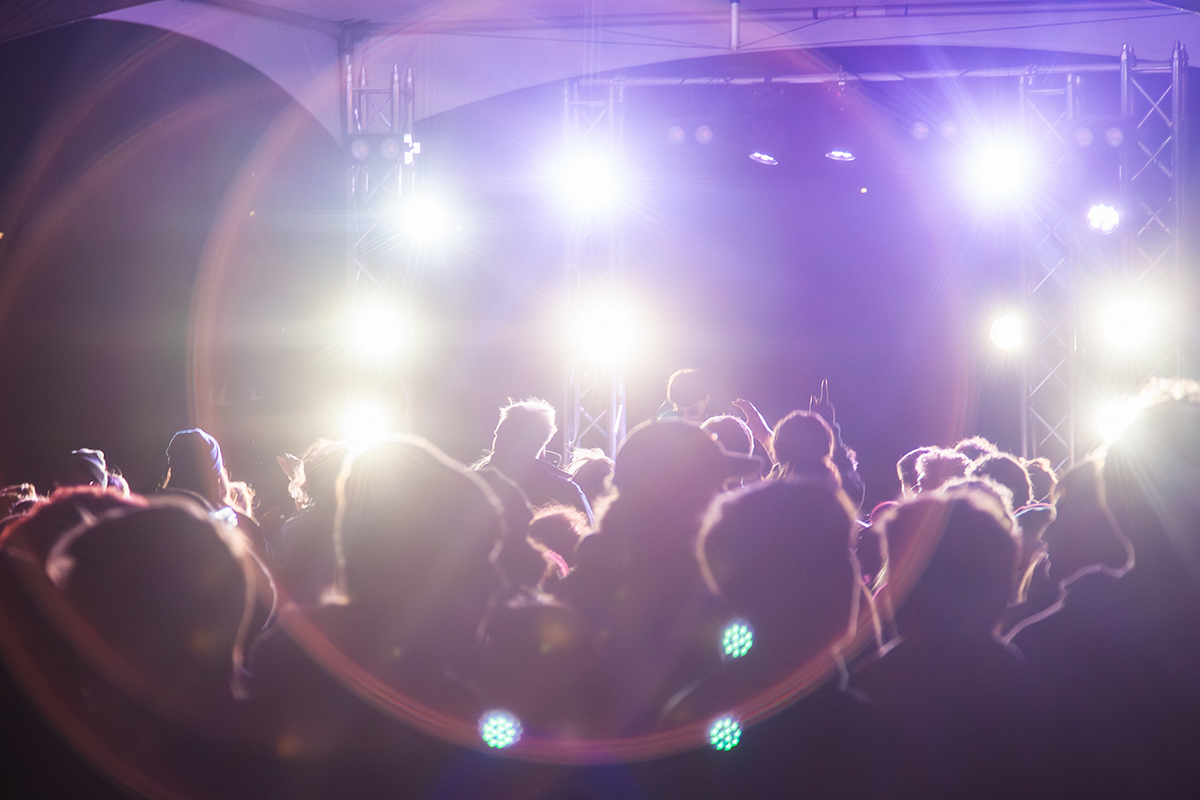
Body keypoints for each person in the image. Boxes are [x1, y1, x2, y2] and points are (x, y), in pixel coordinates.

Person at [474, 399, 594, 526]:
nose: (496, 442)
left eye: (499, 435)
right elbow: (589, 543)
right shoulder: (566, 491)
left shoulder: (473, 484)